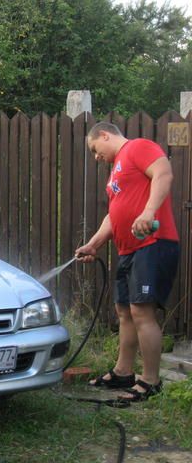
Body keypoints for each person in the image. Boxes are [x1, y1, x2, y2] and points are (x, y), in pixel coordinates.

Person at [75, 122, 179, 402]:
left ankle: (150, 380)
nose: (96, 158)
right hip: (128, 249)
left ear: (105, 135)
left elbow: (163, 173)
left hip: (153, 244)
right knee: (124, 311)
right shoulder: (116, 171)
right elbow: (113, 215)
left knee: (142, 311)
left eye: (96, 150)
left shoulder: (138, 147)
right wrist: (93, 244)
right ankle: (123, 372)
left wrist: (148, 212)